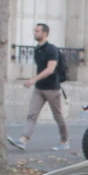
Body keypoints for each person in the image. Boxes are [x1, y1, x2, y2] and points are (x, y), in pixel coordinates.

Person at [8, 23, 69, 152]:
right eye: (34, 31)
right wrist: (35, 82)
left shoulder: (52, 50)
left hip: (52, 89)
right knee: (32, 115)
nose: (34, 33)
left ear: (45, 33)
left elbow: (50, 69)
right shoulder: (37, 49)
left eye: (37, 31)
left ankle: (64, 141)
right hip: (39, 89)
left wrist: (33, 79)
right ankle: (23, 140)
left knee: (58, 117)